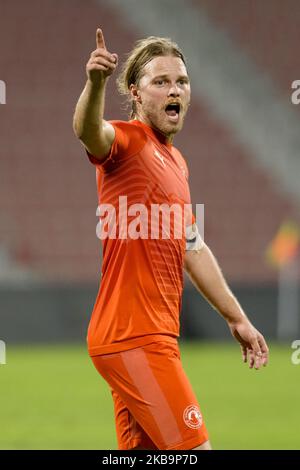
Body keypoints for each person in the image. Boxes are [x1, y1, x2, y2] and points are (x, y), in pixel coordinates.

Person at [73, 28, 269, 451]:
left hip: (146, 336)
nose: (173, 89)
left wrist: (237, 318)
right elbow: (89, 132)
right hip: (134, 337)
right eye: (159, 81)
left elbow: (193, 248)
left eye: (181, 80)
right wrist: (95, 84)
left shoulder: (176, 162)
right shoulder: (126, 142)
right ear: (136, 93)